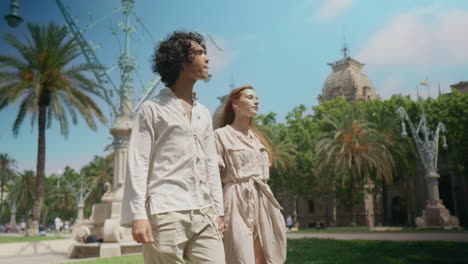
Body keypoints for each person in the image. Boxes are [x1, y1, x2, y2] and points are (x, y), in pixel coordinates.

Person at [121, 31, 225, 264]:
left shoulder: (203, 114)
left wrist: (219, 210)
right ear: (180, 60)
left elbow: (210, 163)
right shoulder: (152, 109)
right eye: (199, 53)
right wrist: (138, 214)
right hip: (165, 213)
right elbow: (138, 164)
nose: (206, 58)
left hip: (205, 213)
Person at [214, 86, 287, 264]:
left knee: (265, 256)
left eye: (257, 98)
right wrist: (217, 212)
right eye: (250, 97)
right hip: (236, 200)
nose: (256, 101)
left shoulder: (257, 137)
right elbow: (211, 176)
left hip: (263, 199)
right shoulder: (220, 135)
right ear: (236, 104)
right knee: (241, 256)